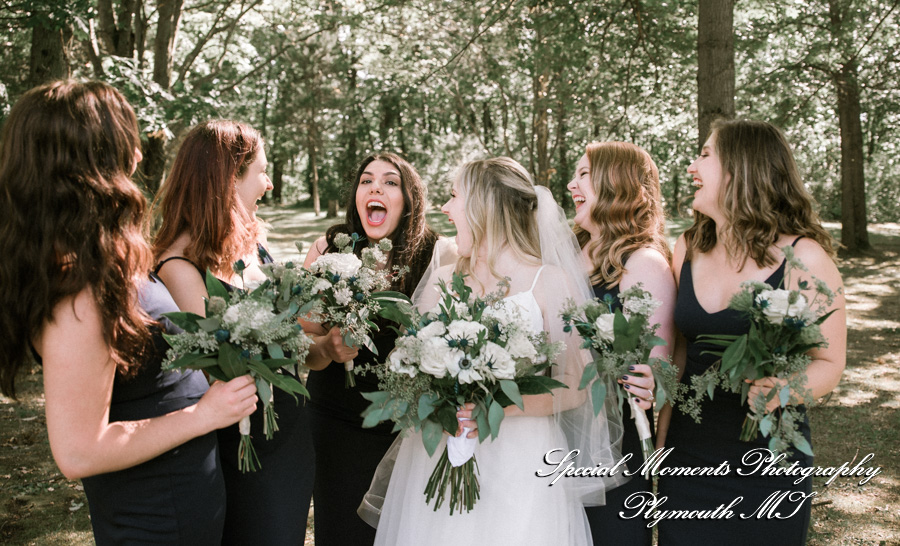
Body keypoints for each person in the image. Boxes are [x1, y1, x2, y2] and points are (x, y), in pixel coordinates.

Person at [0, 81, 258, 544]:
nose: (138, 155)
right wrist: (203, 415)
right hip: (153, 520)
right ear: (92, 160)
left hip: (185, 507)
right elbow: (77, 452)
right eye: (126, 140)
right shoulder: (78, 289)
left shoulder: (100, 260)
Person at [372, 157, 624, 545]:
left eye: (455, 196)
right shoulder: (442, 280)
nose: (446, 207)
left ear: (484, 206)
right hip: (440, 452)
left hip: (522, 463)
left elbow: (576, 386)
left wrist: (496, 406)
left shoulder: (550, 282)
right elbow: (409, 366)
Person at [656, 119, 846, 544]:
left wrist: (782, 389)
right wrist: (664, 429)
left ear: (742, 169)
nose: (692, 165)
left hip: (768, 462)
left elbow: (830, 363)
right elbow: (680, 353)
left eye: (705, 154)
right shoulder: (687, 248)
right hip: (689, 457)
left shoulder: (805, 258)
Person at [152, 120, 314, 545]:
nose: (270, 182)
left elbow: (291, 338)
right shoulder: (178, 269)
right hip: (242, 453)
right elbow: (218, 368)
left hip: (289, 442)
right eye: (261, 171)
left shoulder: (253, 250)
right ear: (227, 179)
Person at [302, 152, 452, 545]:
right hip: (335, 418)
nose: (375, 188)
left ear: (408, 199)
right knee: (340, 529)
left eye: (389, 182)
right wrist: (328, 344)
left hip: (406, 427)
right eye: (367, 180)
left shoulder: (436, 254)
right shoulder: (328, 247)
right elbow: (302, 329)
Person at [567, 141, 676, 545]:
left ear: (616, 183)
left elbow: (657, 376)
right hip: (557, 430)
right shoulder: (572, 248)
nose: (570, 184)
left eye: (582, 175)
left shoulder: (643, 262)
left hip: (613, 449)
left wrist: (651, 381)